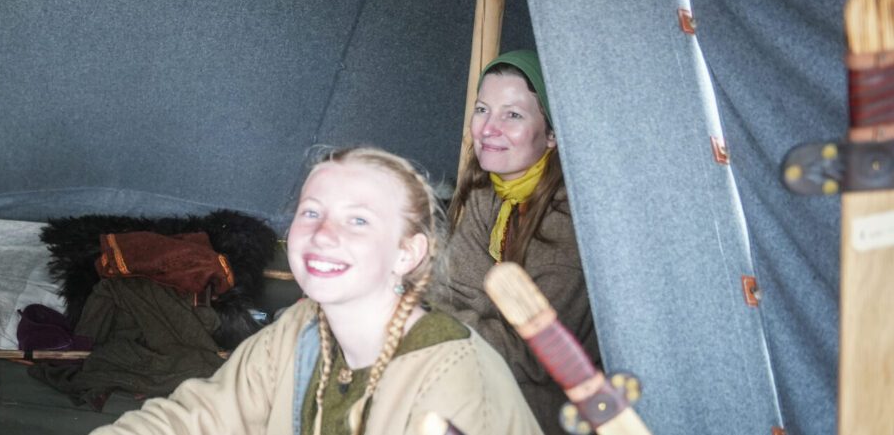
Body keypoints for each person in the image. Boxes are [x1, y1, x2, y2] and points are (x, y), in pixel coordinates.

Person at [91, 148, 540, 435]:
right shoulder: (300, 331)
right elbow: (198, 418)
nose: (323, 234)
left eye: (358, 220)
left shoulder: (456, 379)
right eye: (311, 212)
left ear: (406, 253)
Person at [436, 49, 598, 429]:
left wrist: (431, 322)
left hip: (553, 411)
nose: (488, 129)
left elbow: (535, 353)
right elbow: (451, 293)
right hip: (479, 374)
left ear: (552, 134)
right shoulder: (487, 192)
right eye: (482, 110)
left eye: (512, 115)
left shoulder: (570, 217)